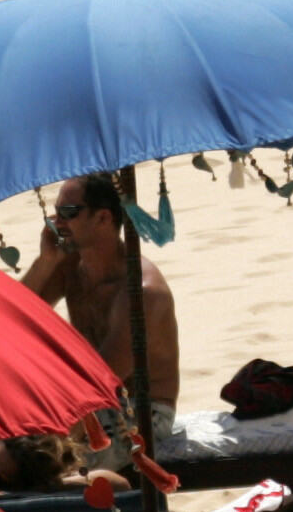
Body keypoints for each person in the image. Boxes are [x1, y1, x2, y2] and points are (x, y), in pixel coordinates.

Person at [22, 170, 181, 426]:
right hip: (89, 399)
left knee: (36, 450)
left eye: (69, 213)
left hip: (141, 413)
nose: (56, 223)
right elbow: (15, 314)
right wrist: (45, 262)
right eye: (55, 213)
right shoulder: (70, 267)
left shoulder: (141, 292)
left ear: (103, 218)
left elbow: (105, 377)